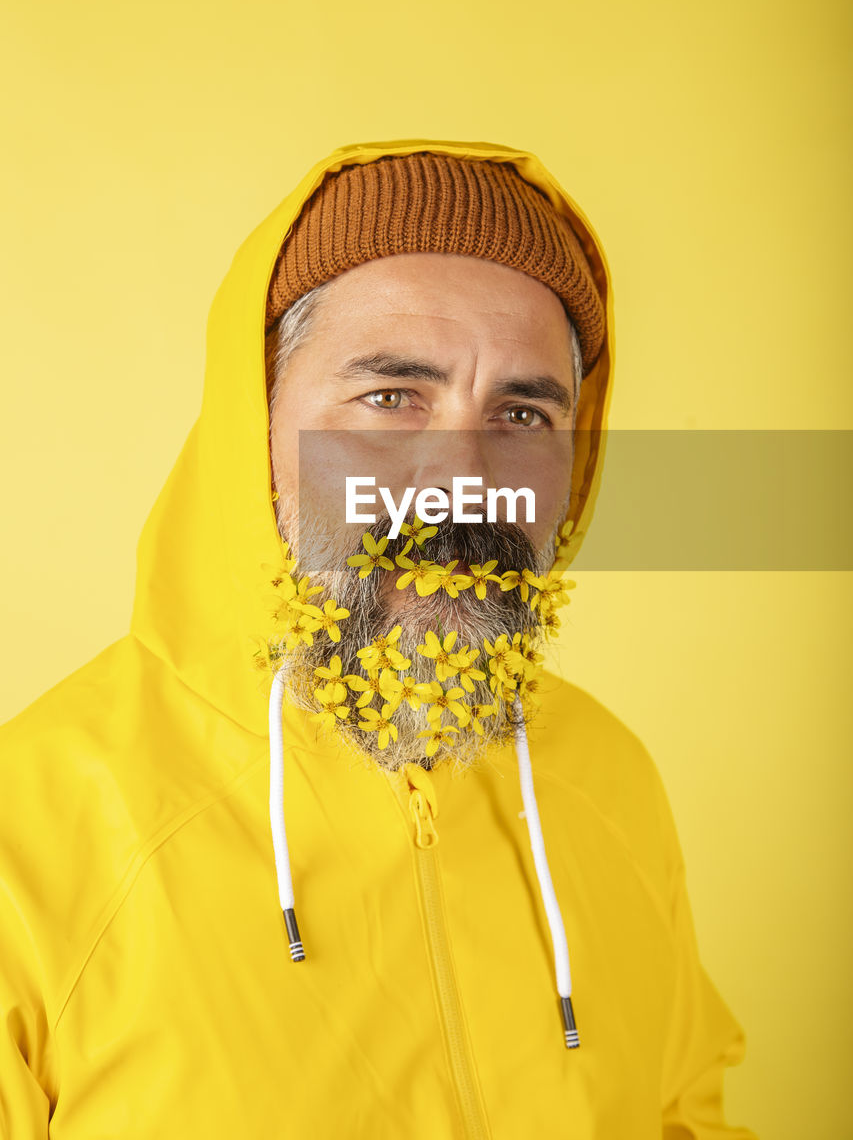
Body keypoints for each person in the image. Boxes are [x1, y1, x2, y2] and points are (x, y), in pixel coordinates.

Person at [0, 139, 754, 1138]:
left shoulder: (608, 779)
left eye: (522, 411)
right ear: (254, 428)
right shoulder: (31, 829)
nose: (461, 478)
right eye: (392, 397)